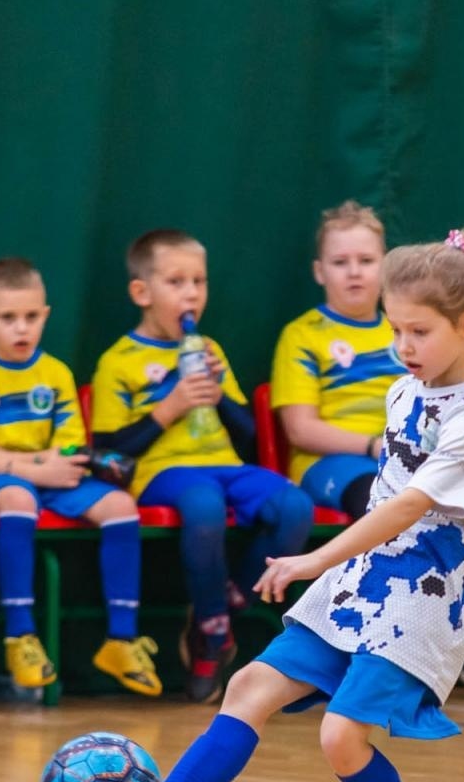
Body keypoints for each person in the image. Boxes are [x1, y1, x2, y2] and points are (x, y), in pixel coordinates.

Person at [115, 229, 464, 782]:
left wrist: (315, 557)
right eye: (396, 329)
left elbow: (408, 510)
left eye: (419, 332)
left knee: (342, 736)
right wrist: (338, 568)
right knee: (250, 686)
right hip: (367, 576)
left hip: (427, 591)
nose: (404, 347)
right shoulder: (403, 393)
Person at [270, 202, 464, 697]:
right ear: (320, 271)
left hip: (414, 473)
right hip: (336, 463)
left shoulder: (425, 343)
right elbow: (301, 428)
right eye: (341, 262)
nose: (354, 272)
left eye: (365, 260)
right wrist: (373, 446)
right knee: (385, 498)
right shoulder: (306, 335)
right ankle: (362, 633)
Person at [90, 229, 314, 703]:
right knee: (204, 505)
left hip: (225, 466)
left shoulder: (208, 350)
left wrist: (221, 399)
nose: (191, 293)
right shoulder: (119, 360)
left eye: (198, 282)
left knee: (294, 506)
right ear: (141, 293)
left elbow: (249, 435)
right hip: (162, 474)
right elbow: (110, 449)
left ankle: (224, 609)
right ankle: (213, 634)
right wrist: (166, 409)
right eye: (176, 282)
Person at [0, 257, 159, 697]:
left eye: (31, 317)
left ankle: (121, 639)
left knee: (120, 505)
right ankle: (20, 636)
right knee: (19, 497)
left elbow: (70, 450)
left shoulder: (56, 373)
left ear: (45, 316)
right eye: (8, 318)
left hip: (50, 478)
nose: (21, 328)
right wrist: (30, 466)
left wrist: (49, 465)